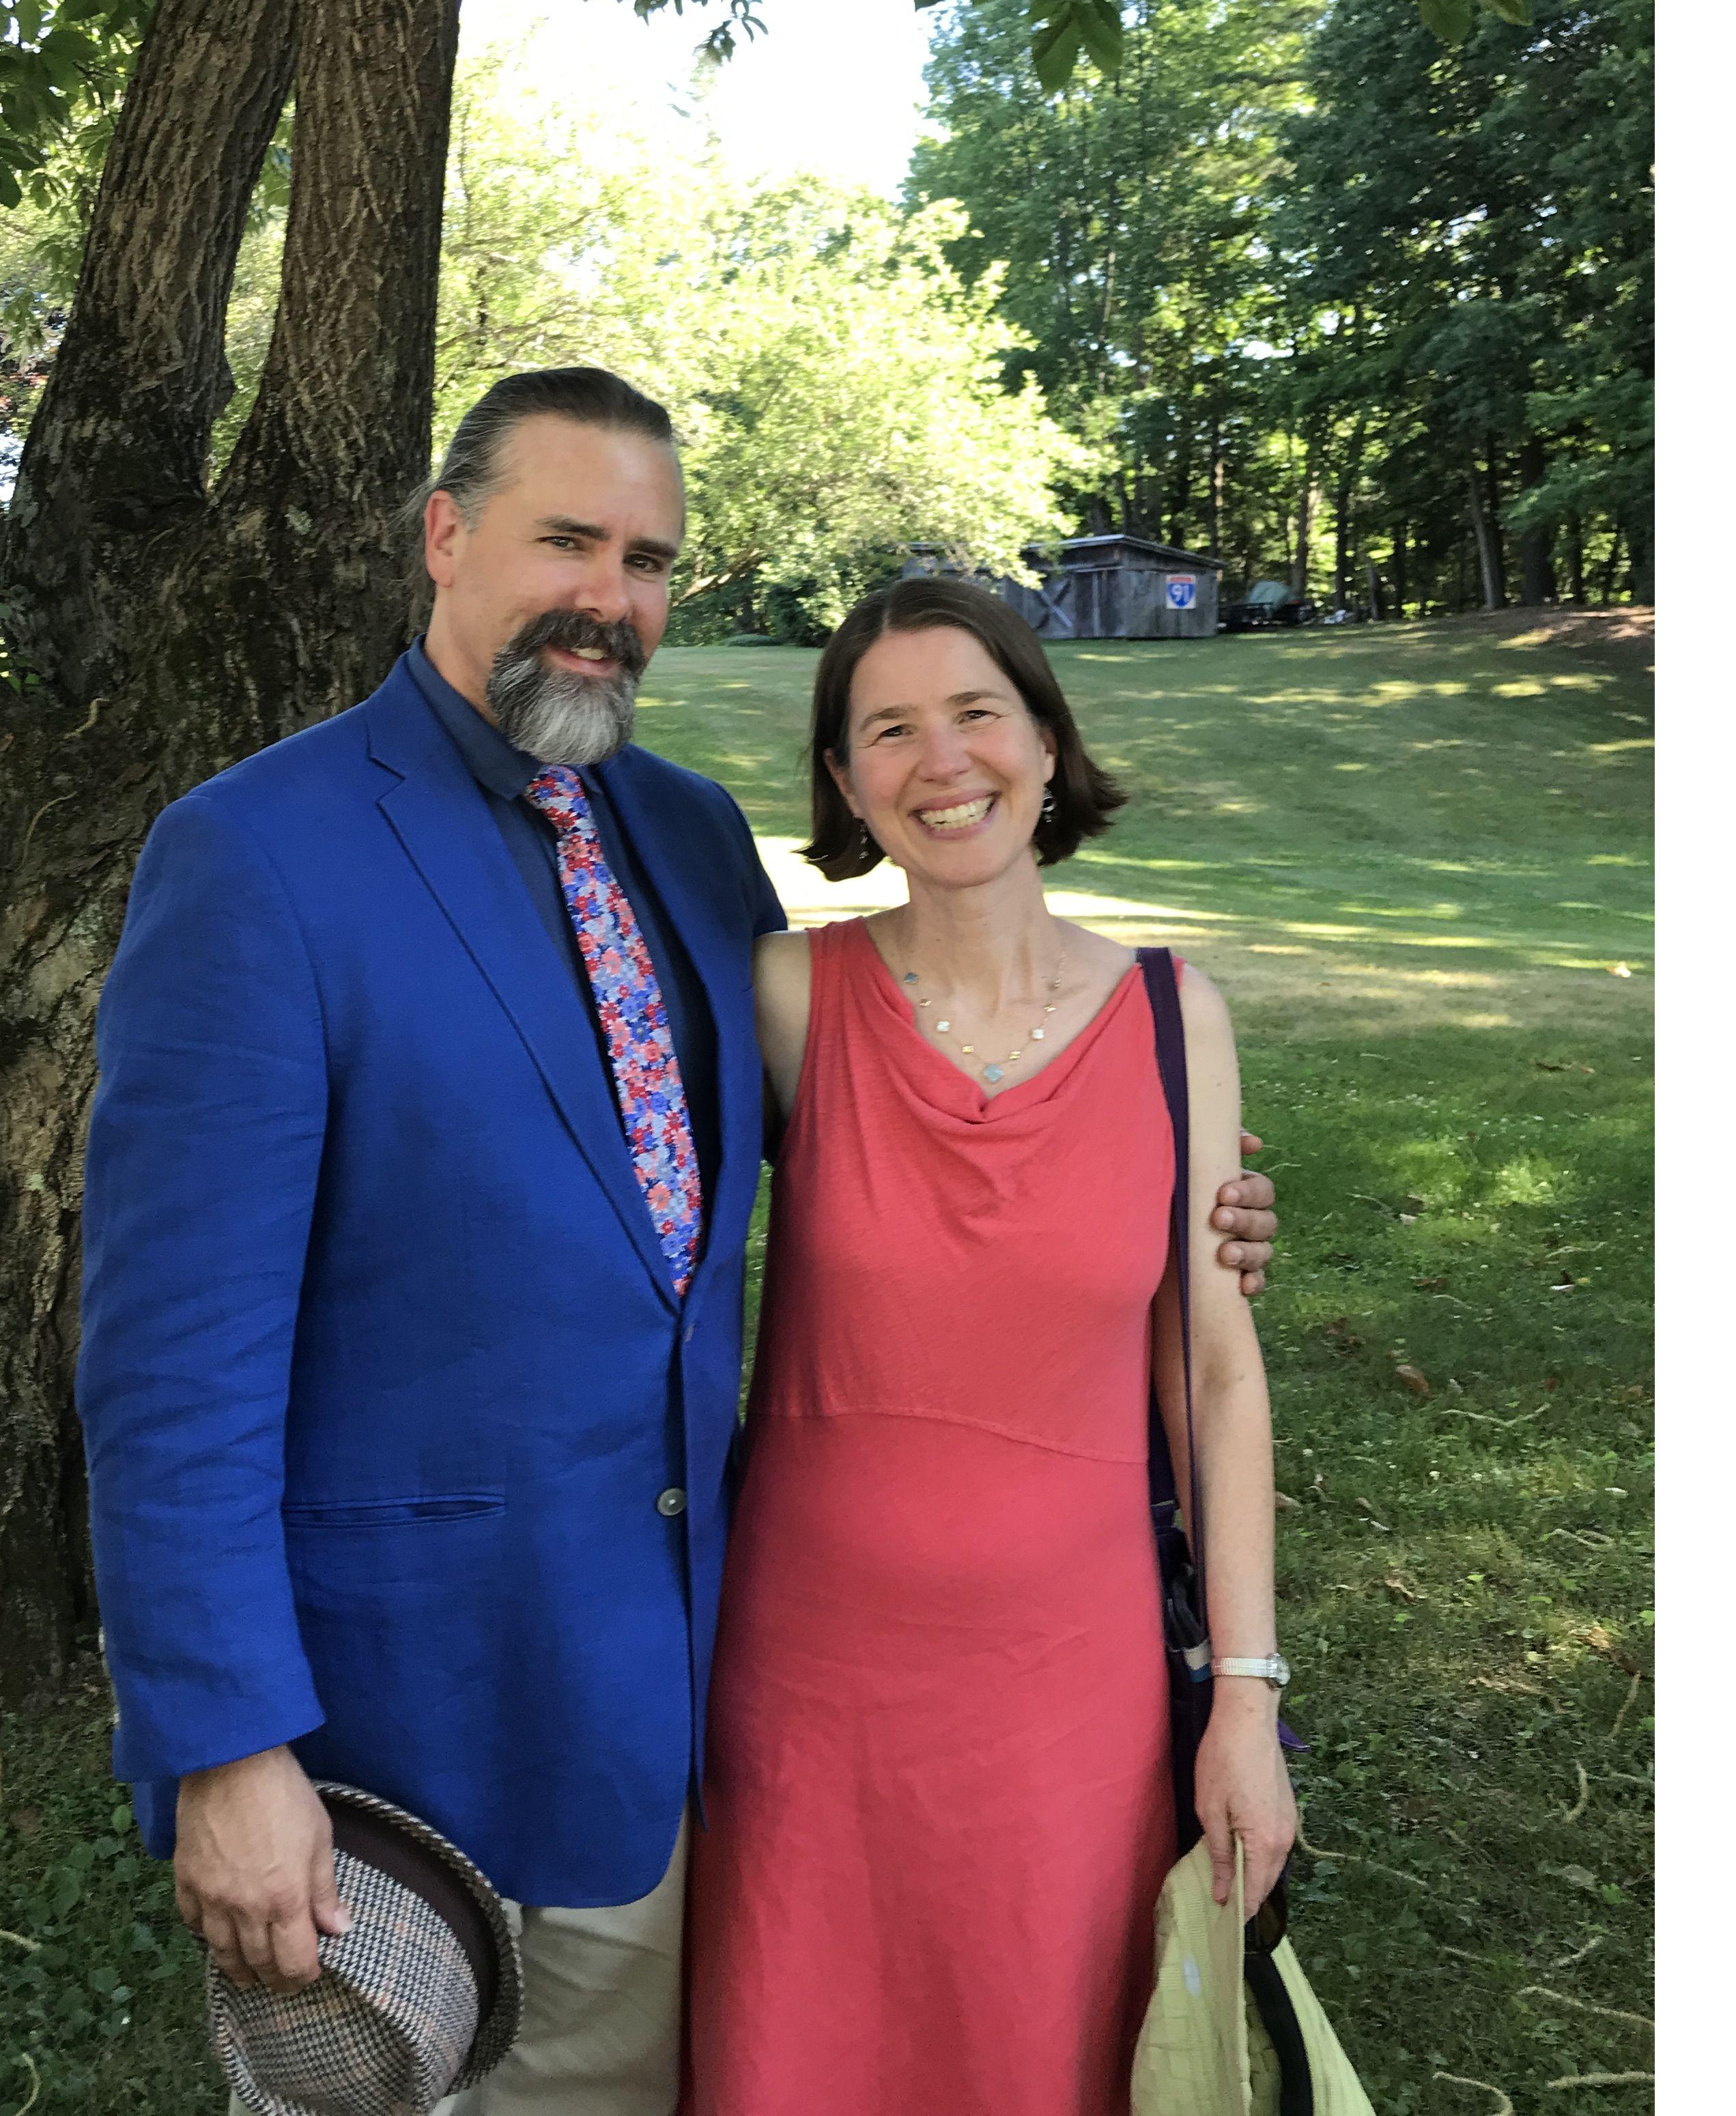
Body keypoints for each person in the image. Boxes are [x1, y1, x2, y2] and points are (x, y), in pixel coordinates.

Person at [77, 371, 1282, 2116]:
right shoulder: (256, 855)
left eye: (649, 560)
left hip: (679, 1688)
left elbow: (885, 1154)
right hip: (398, 1724)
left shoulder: (687, 837)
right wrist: (225, 1746)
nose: (611, 597)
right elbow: (169, 1365)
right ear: (443, 535)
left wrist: (1181, 1201)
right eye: (567, 538)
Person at [683, 574, 1298, 2116]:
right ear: (843, 781)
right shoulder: (786, 1001)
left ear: (1045, 735)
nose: (940, 761)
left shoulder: (1176, 1018)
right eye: (888, 729)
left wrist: (1245, 1699)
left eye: (977, 713)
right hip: (810, 1699)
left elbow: (1216, 1375)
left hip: (1071, 1711)